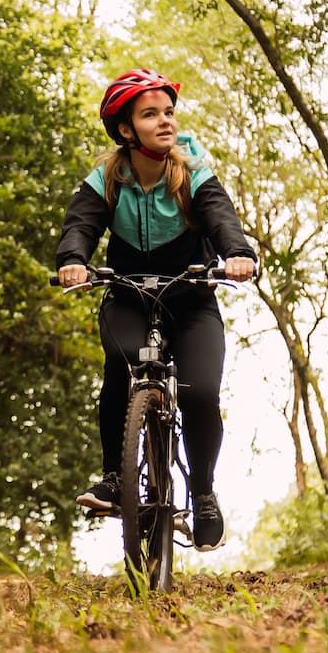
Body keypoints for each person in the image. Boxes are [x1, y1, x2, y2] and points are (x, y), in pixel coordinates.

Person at [54, 69, 257, 550]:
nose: (165, 121)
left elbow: (220, 215)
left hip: (190, 302)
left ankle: (203, 493)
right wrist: (72, 261)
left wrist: (238, 253)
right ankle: (112, 476)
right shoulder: (106, 177)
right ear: (126, 129)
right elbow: (79, 225)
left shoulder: (193, 171)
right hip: (127, 297)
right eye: (151, 114)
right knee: (119, 367)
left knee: (201, 391)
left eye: (168, 112)